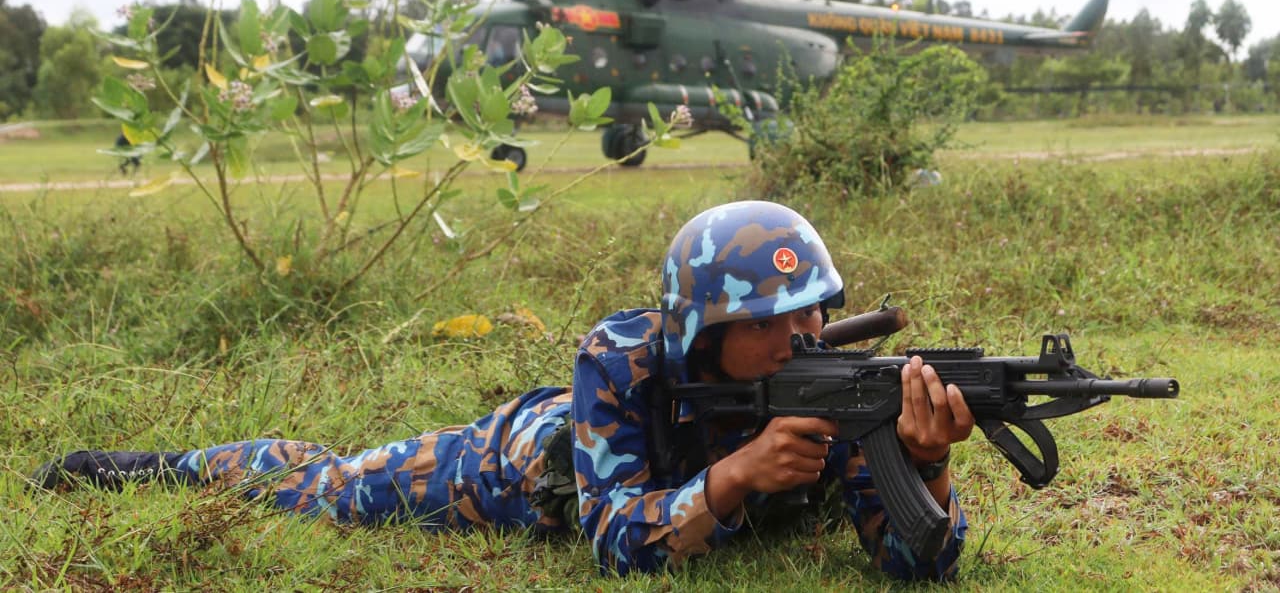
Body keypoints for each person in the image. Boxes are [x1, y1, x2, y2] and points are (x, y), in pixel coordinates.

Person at [32, 201, 974, 580]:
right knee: (327, 485)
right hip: (527, 467)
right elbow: (615, 544)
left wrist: (924, 465)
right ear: (700, 328)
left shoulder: (836, 385)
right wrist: (737, 477)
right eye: (763, 323)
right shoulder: (622, 361)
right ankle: (162, 466)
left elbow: (915, 562)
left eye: (809, 314)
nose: (795, 340)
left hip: (648, 473)